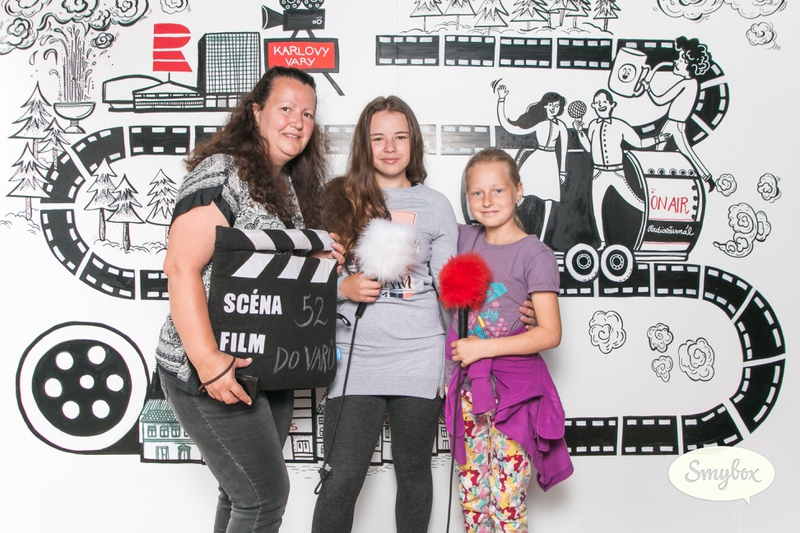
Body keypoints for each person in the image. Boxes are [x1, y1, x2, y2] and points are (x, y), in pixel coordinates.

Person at [155, 66, 343, 533]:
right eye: (286, 108)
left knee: (241, 494)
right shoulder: (223, 171)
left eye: (307, 114)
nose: (298, 121)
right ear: (256, 112)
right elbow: (181, 266)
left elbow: (265, 271)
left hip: (265, 365)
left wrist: (313, 257)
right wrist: (208, 362)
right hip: (210, 367)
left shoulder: (287, 186)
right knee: (264, 498)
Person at [311, 96, 458, 533]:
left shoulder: (437, 205)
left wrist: (507, 306)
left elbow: (450, 286)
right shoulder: (337, 197)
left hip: (420, 354)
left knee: (413, 472)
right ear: (364, 144)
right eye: (378, 138)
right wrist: (343, 288)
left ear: (414, 142)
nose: (390, 148)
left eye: (400, 137)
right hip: (356, 358)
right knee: (341, 478)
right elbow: (306, 277)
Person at [445, 148, 573, 533]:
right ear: (467, 198)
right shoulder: (463, 239)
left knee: (506, 498)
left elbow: (550, 333)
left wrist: (481, 348)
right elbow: (412, 225)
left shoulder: (535, 254)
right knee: (472, 497)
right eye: (476, 193)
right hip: (468, 392)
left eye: (497, 190)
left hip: (514, 394)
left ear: (518, 191)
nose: (487, 201)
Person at [574, 89, 671, 250]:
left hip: (617, 172)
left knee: (636, 202)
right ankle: (603, 243)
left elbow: (639, 143)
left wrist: (658, 139)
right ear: (593, 106)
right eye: (597, 103)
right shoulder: (592, 125)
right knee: (597, 208)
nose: (601, 105)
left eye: (604, 102)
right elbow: (589, 148)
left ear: (612, 105)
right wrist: (579, 131)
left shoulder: (620, 125)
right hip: (598, 174)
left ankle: (657, 223)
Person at [640, 36, 715, 192]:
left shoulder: (686, 84)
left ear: (689, 65)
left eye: (681, 59)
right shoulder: (692, 83)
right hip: (673, 123)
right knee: (664, 152)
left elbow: (660, 100)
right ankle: (705, 178)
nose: (676, 61)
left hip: (675, 124)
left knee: (676, 153)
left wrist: (648, 88)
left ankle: (705, 178)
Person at [496, 87, 569, 242]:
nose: (553, 108)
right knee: (520, 195)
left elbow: (563, 149)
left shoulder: (561, 126)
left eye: (557, 106)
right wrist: (501, 100)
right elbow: (510, 127)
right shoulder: (540, 124)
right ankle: (511, 232)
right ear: (545, 106)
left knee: (549, 200)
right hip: (536, 160)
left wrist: (562, 171)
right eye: (551, 105)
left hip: (551, 163)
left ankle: (542, 239)